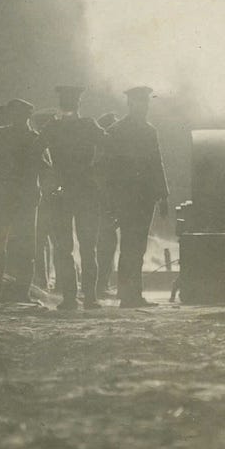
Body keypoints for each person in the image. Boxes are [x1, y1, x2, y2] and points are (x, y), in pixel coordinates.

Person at [38, 85, 106, 313]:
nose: (71, 104)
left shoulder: (54, 127)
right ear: (77, 103)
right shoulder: (86, 125)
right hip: (79, 191)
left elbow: (36, 150)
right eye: (70, 101)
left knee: (72, 248)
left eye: (71, 100)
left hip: (68, 191)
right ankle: (85, 297)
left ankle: (76, 297)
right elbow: (108, 145)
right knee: (81, 248)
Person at [0, 98, 51, 306]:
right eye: (14, 114)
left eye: (19, 114)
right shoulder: (4, 136)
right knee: (7, 246)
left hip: (18, 198)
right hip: (9, 198)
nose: (16, 118)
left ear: (27, 116)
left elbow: (45, 168)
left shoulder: (30, 138)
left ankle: (15, 294)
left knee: (22, 247)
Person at [104, 87, 169, 309]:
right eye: (141, 104)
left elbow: (156, 164)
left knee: (137, 246)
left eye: (147, 104)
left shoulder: (146, 131)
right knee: (131, 246)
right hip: (128, 198)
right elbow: (109, 170)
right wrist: (110, 201)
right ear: (131, 104)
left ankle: (132, 294)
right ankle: (128, 295)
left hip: (143, 199)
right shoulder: (116, 131)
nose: (145, 108)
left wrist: (163, 196)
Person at [93, 111, 121, 296]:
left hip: (104, 203)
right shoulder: (104, 153)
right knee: (106, 244)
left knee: (106, 243)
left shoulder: (101, 151)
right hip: (103, 203)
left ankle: (102, 284)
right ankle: (101, 285)